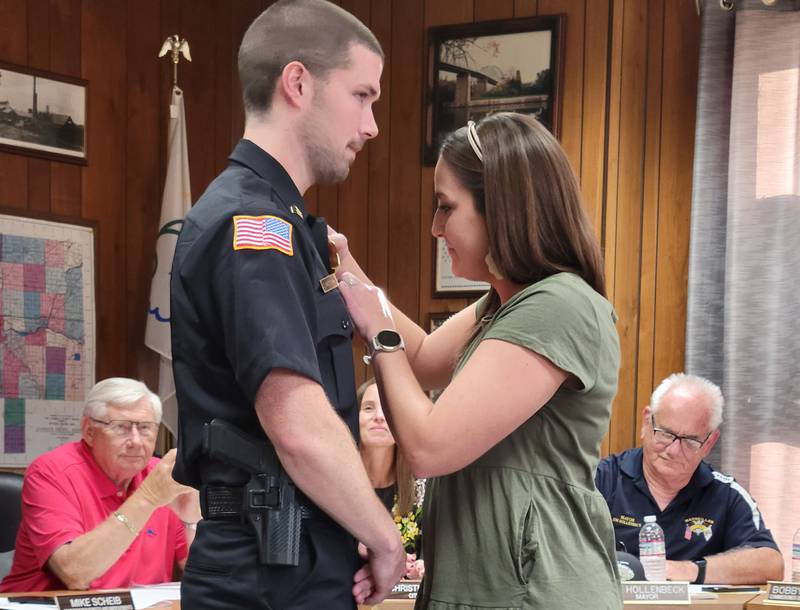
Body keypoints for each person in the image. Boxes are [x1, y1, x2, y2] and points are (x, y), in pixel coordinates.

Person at [168, 1, 405, 608]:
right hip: (263, 565)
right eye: (362, 95)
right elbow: (296, 423)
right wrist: (384, 537)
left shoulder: (292, 227)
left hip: (297, 551)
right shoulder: (254, 225)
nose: (372, 124)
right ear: (298, 83)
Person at [333, 112, 623, 608]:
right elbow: (422, 358)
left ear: (503, 210)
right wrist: (342, 267)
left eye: (447, 208)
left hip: (536, 590)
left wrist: (376, 329)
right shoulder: (503, 303)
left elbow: (425, 445)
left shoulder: (558, 305)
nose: (434, 227)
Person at [0, 378, 199, 592]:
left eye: (144, 428)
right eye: (121, 427)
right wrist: (148, 498)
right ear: (89, 431)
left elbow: (198, 573)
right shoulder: (51, 472)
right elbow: (75, 573)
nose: (136, 441)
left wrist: (191, 522)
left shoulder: (162, 475)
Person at [595, 373, 784, 584]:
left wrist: (689, 570)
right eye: (666, 433)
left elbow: (771, 564)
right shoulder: (599, 481)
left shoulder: (725, 494)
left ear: (710, 443)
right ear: (646, 423)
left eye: (690, 441)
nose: (674, 450)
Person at [358, 379, 424, 580]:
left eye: (388, 409)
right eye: (369, 408)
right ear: (354, 418)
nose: (379, 417)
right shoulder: (333, 485)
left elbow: (435, 553)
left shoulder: (423, 489)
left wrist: (422, 567)